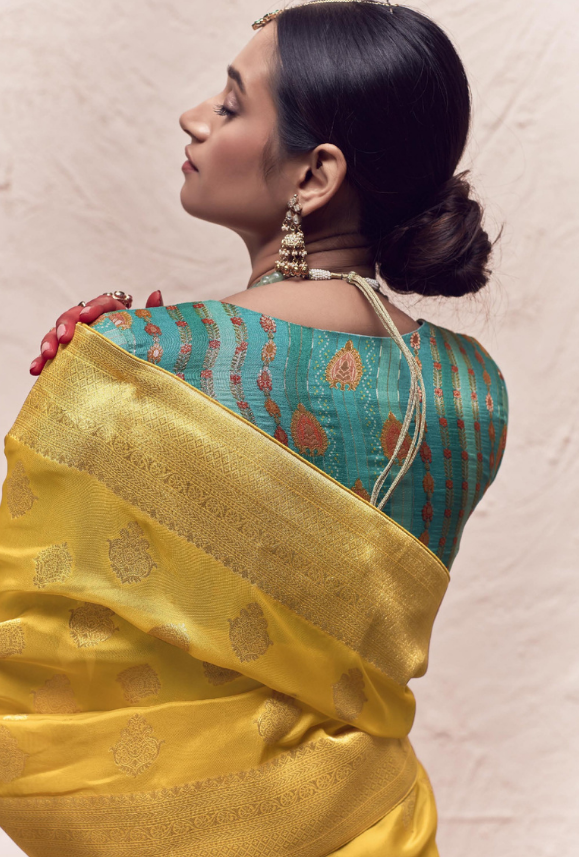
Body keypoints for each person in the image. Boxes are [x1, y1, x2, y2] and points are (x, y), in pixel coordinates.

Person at [0, 2, 508, 855]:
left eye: (231, 105)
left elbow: (32, 681)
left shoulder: (138, 360)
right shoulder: (469, 392)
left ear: (314, 176)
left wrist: (97, 399)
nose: (193, 117)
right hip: (377, 831)